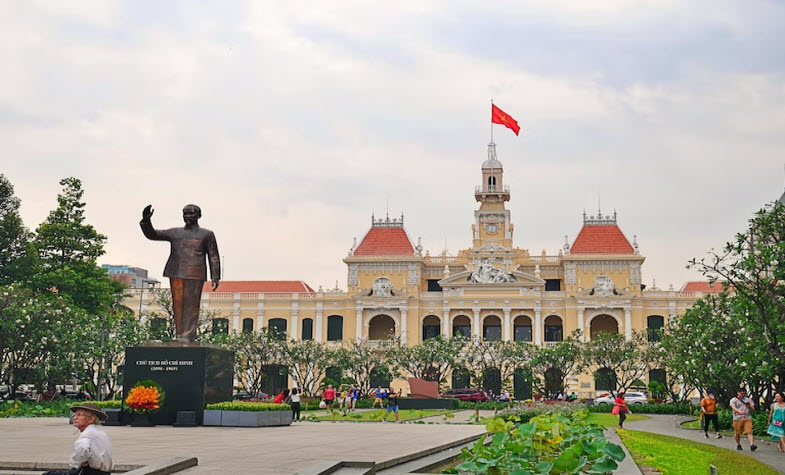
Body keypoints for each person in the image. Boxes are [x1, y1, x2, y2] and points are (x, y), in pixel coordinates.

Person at [140, 204, 220, 342]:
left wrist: (215, 276)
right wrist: (146, 221)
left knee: (192, 305)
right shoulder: (175, 232)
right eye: (185, 213)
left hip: (195, 272)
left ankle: (188, 335)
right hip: (176, 271)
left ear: (198, 215)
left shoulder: (206, 234)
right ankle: (179, 335)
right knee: (177, 305)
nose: (188, 216)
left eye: (191, 213)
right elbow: (153, 234)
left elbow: (213, 256)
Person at [44, 403, 112, 475]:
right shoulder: (100, 433)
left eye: (79, 415)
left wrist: (79, 462)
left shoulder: (87, 434)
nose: (75, 417)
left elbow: (82, 448)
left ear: (91, 419)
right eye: (75, 415)